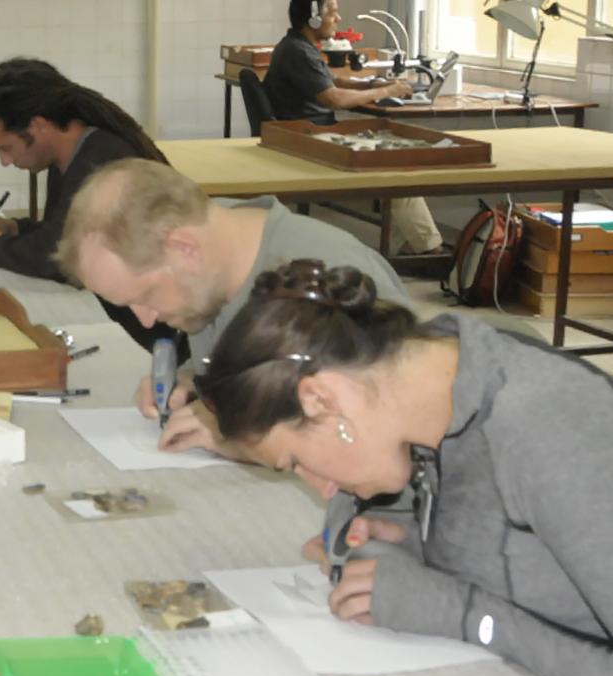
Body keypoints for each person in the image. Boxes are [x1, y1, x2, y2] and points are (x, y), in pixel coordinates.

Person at [192, 259, 613, 676]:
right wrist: (420, 545)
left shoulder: (550, 431)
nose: (321, 487)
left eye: (296, 461)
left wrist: (466, 615)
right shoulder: (435, 379)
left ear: (323, 399)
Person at [55, 158, 407, 455]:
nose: (146, 322)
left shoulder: (328, 276)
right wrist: (192, 382)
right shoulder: (213, 261)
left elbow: (397, 434)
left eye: (144, 296)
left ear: (183, 247)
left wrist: (245, 439)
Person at [0, 57, 176, 349]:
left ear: (39, 125)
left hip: (148, 327)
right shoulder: (71, 153)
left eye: (6, 148)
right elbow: (63, 230)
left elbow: (61, 258)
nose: (5, 162)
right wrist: (16, 228)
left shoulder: (103, 160)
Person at [263, 0, 444, 255]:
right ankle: (426, 248)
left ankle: (408, 242)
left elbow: (331, 80)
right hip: (311, 138)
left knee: (392, 155)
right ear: (313, 18)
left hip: (306, 133)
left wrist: (370, 84)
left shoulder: (297, 46)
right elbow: (333, 98)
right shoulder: (299, 52)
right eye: (332, 13)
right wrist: (387, 91)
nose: (338, 19)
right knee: (396, 162)